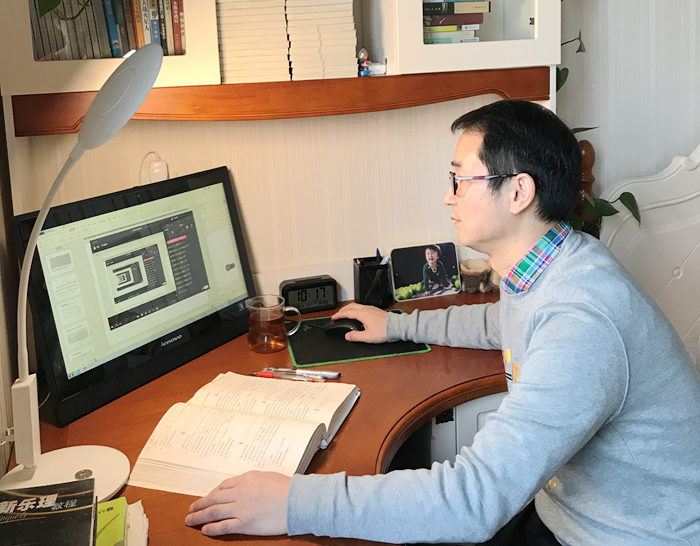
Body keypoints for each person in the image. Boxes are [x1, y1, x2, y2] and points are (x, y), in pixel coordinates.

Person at [185, 100, 700, 545]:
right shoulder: (556, 263)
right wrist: (398, 326)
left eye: (460, 179)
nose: (448, 196)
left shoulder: (582, 320)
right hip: (567, 515)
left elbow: (473, 500)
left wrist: (293, 502)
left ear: (518, 192)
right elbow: (501, 322)